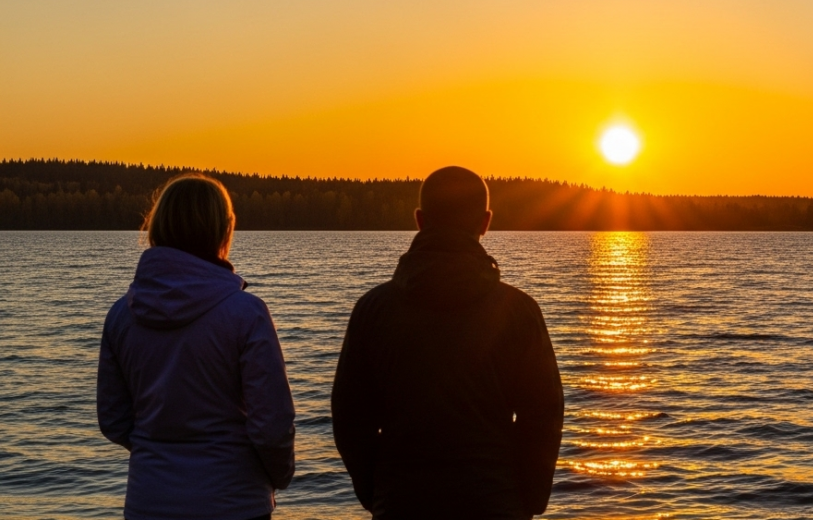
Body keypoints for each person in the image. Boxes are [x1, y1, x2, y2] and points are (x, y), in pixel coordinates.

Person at [332, 166, 563, 520]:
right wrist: (527, 501)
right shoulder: (518, 311)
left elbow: (350, 417)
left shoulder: (374, 309)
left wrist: (378, 492)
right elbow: (543, 417)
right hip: (495, 503)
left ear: (420, 220)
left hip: (401, 503)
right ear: (485, 222)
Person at [97, 173, 296, 520]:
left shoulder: (121, 315)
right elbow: (272, 425)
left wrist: (157, 451)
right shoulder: (246, 313)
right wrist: (276, 477)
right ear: (224, 228)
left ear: (158, 226)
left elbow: (114, 419)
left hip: (149, 501)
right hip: (235, 503)